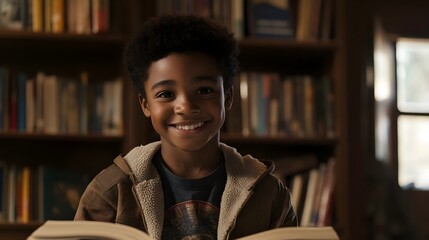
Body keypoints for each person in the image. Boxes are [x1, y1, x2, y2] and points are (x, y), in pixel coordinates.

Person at [74, 13, 297, 240]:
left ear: (227, 97)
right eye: (166, 94)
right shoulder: (111, 192)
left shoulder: (269, 194)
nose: (186, 106)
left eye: (204, 90)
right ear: (145, 104)